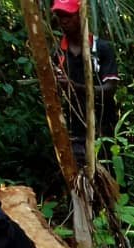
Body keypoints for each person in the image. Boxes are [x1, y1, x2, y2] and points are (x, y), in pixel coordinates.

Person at [51, 0, 119, 168]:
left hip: (103, 128)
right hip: (74, 131)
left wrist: (75, 87)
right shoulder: (58, 52)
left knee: (107, 176)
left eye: (68, 15)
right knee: (78, 180)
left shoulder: (101, 48)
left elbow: (110, 89)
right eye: (60, 15)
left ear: (81, 14)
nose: (64, 20)